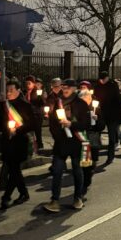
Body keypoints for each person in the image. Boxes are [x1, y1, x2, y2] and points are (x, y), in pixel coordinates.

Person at [43, 79, 91, 213]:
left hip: (76, 142)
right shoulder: (57, 103)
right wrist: (57, 134)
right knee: (57, 171)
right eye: (63, 87)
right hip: (61, 142)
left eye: (68, 87)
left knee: (77, 171)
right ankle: (55, 200)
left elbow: (86, 124)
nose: (65, 89)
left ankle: (78, 197)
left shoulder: (81, 104)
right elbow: (52, 122)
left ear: (75, 89)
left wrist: (71, 125)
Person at [0, 78, 35, 209]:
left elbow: (31, 124)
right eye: (7, 90)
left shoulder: (25, 105)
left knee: (14, 169)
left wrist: (18, 129)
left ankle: (6, 197)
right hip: (7, 142)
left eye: (11, 90)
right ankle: (24, 193)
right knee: (14, 170)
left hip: (20, 142)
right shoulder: (3, 105)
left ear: (18, 90)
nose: (9, 93)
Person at [93, 71, 121, 165]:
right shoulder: (97, 85)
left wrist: (120, 115)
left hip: (112, 114)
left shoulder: (113, 85)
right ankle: (95, 155)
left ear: (107, 78)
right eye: (100, 79)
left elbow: (118, 99)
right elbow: (95, 97)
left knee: (111, 135)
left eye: (103, 79)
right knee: (96, 133)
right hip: (101, 113)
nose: (102, 81)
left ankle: (110, 156)